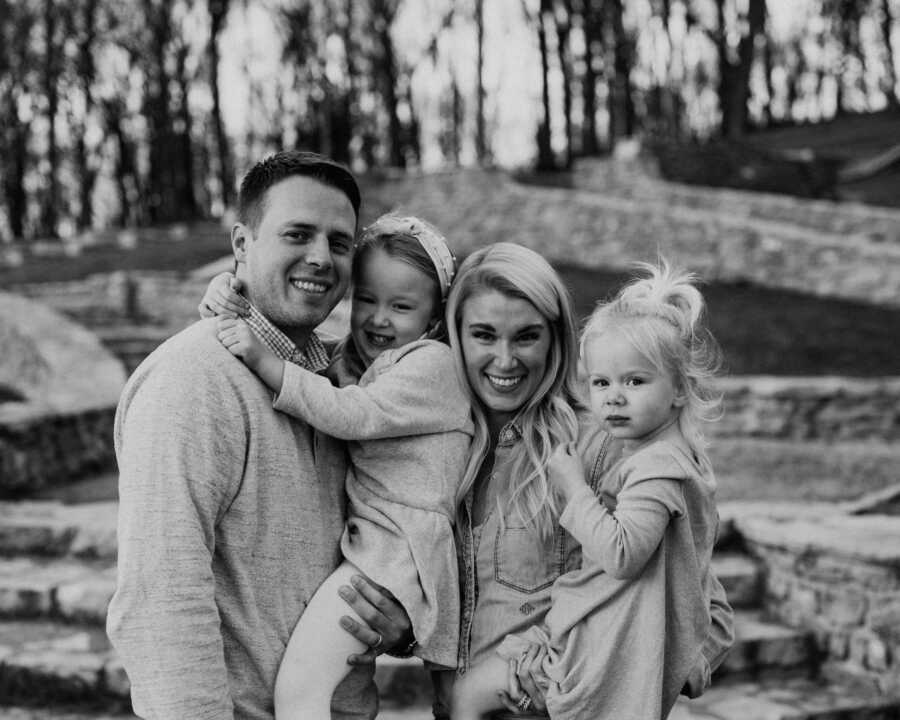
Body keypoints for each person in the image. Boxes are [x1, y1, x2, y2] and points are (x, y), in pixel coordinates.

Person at [107, 151, 413, 720]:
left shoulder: (339, 384)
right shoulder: (194, 379)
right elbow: (160, 603)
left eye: (340, 242)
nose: (321, 258)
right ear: (243, 244)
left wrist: (404, 629)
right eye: (298, 233)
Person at [432, 243, 734, 719]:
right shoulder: (436, 442)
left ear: (555, 340)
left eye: (527, 336)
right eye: (484, 335)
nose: (505, 360)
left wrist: (612, 672)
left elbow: (701, 604)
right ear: (457, 336)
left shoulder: (599, 446)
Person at [199, 214, 473, 720]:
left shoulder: (433, 367)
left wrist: (267, 365)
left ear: (434, 319)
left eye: (402, 307)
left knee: (299, 696)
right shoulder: (364, 359)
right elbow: (315, 368)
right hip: (373, 550)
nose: (378, 319)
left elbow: (351, 412)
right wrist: (228, 292)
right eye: (366, 300)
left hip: (396, 556)